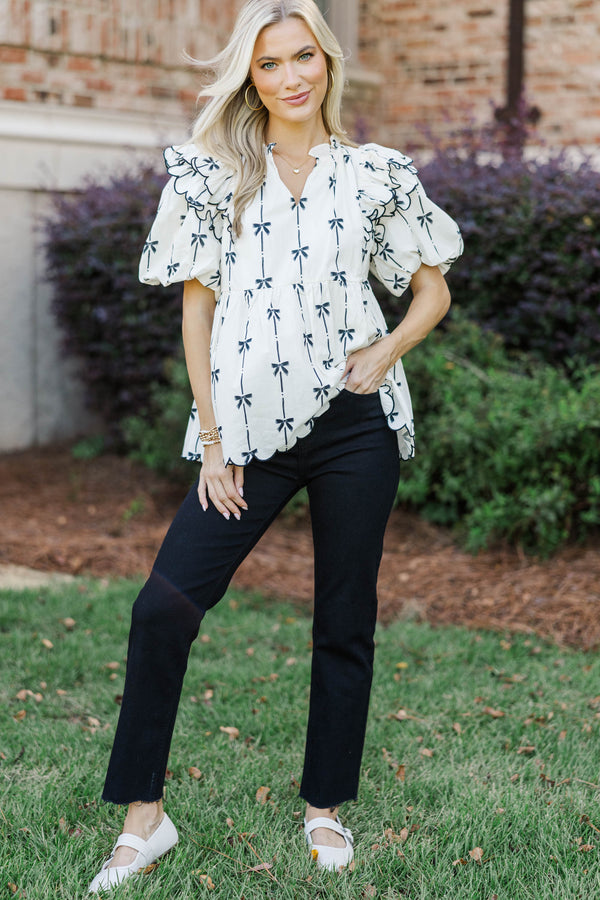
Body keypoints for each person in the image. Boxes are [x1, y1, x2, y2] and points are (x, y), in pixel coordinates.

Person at [88, 0, 463, 892]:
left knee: (345, 617)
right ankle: (144, 819)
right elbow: (197, 313)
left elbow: (432, 290)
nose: (291, 77)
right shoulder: (216, 175)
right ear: (249, 79)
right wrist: (214, 444)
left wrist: (386, 349)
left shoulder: (373, 174)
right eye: (269, 64)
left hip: (356, 427)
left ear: (327, 62)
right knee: (161, 610)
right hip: (249, 435)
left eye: (303, 57)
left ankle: (325, 807)